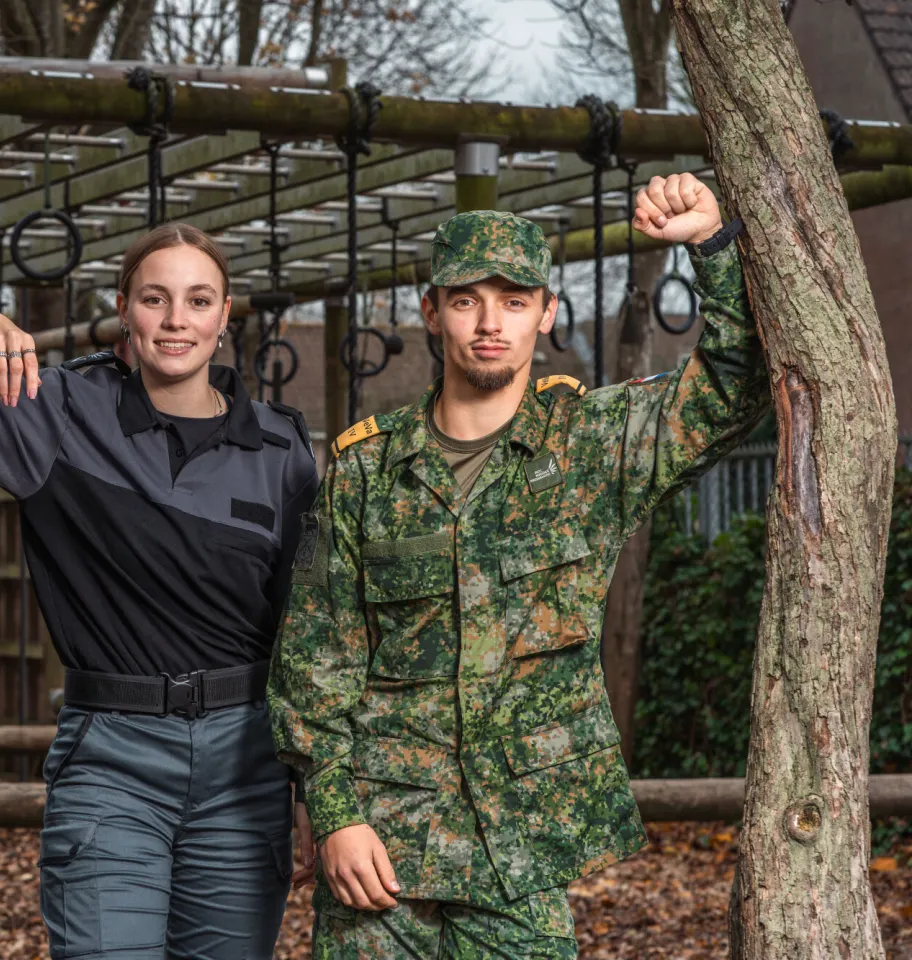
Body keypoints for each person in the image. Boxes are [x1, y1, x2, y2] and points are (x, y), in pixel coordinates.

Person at [267, 173, 769, 958]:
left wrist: (709, 245)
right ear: (431, 313)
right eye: (466, 300)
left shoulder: (591, 446)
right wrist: (334, 812)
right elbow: (316, 663)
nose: (490, 323)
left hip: (523, 858)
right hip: (383, 861)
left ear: (546, 311)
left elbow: (734, 391)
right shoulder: (367, 473)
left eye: (513, 300)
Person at [0, 222, 319, 960]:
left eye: (198, 301)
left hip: (246, 761)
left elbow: (312, 633)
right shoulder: (58, 410)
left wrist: (313, 792)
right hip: (114, 758)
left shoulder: (282, 449)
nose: (176, 320)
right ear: (125, 310)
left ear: (225, 317)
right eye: (155, 298)